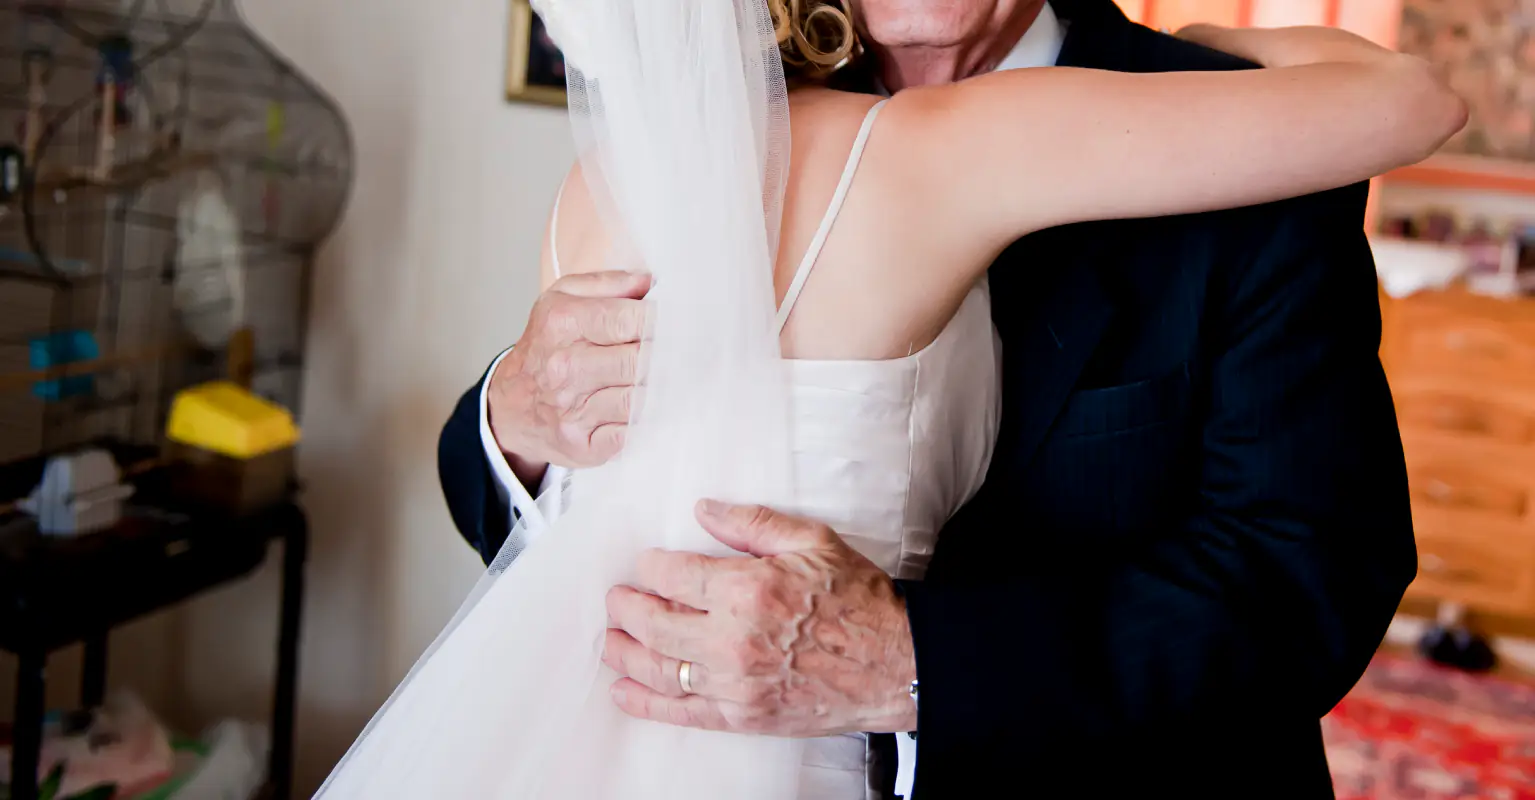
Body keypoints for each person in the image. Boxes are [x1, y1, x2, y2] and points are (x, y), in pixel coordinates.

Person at [437, 0, 1454, 796]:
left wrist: (910, 665)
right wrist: (512, 418)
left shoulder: (1247, 131)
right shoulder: (709, 141)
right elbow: (553, 519)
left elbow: (1305, 576)